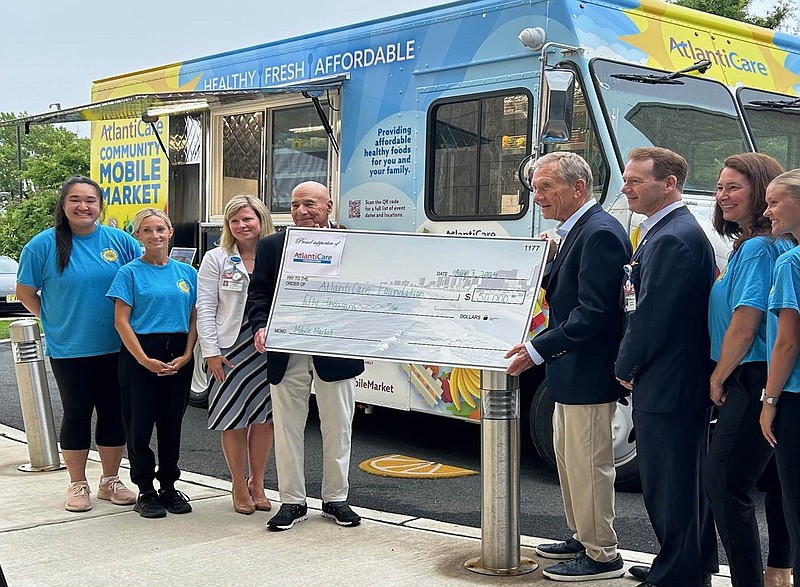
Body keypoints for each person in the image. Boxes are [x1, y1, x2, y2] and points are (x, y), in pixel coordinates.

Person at [505, 152, 629, 581]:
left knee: (589, 465)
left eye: (545, 187)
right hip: (569, 372)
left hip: (588, 373)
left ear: (578, 188)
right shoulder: (575, 231)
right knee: (569, 459)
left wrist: (537, 350)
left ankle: (602, 555)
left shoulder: (599, 234)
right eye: (534, 188)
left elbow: (594, 313)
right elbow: (565, 291)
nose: (536, 197)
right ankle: (582, 535)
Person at [615, 147, 719, 587]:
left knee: (670, 483)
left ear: (669, 184)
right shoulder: (670, 231)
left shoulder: (673, 237)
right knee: (685, 480)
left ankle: (678, 574)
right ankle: (688, 563)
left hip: (669, 380)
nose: (625, 189)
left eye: (636, 181)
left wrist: (624, 364)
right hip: (677, 378)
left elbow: (653, 314)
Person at [16, 176, 140, 512]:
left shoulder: (121, 241)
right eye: (75, 199)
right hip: (70, 347)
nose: (83, 206)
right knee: (76, 414)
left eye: (90, 200)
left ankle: (110, 481)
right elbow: (25, 292)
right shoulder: (42, 245)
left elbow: (141, 279)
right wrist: (52, 318)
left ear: (100, 205)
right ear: (64, 204)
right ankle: (77, 483)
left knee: (114, 414)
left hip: (117, 346)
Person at [247, 181, 364, 531]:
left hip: (335, 351)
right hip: (286, 351)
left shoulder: (353, 244)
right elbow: (259, 294)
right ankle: (292, 501)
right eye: (295, 205)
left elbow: (364, 293)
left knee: (338, 427)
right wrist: (260, 326)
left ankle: (335, 499)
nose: (301, 211)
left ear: (329, 205)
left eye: (310, 204)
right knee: (287, 428)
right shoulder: (272, 246)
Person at [704, 153, 793, 587]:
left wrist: (719, 375)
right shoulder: (756, 245)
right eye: (719, 187)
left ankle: (747, 580)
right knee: (777, 482)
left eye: (734, 187)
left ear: (761, 191)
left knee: (724, 484)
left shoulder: (759, 248)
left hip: (749, 375)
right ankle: (778, 570)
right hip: (758, 375)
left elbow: (746, 320)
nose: (722, 196)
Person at [107, 208, 197, 519]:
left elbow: (195, 316)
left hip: (179, 350)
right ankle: (145, 488)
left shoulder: (187, 273)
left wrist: (187, 353)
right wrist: (144, 359)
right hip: (141, 352)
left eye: (160, 229)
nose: (155, 235)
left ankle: (169, 486)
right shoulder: (129, 273)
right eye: (147, 230)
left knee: (171, 424)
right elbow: (121, 321)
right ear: (138, 237)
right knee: (140, 423)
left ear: (170, 232)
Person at [196, 195, 276, 515]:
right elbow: (205, 307)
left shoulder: (275, 254)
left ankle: (258, 482)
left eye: (248, 219)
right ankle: (238, 484)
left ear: (260, 220)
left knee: (264, 419)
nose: (242, 225)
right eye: (235, 221)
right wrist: (210, 352)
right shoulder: (217, 258)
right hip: (229, 347)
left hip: (266, 348)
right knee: (233, 418)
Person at [761, 168, 800, 583]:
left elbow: (787, 343)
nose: (767, 211)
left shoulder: (791, 263)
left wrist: (768, 401)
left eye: (774, 202)